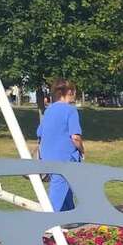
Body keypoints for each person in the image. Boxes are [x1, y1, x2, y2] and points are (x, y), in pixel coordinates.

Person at [36, 79, 84, 211]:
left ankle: (70, 216)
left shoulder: (48, 110)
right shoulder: (71, 110)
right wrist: (82, 150)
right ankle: (50, 221)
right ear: (69, 92)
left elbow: (39, 133)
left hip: (47, 158)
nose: (75, 94)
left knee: (66, 191)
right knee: (57, 195)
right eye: (74, 91)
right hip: (64, 159)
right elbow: (75, 137)